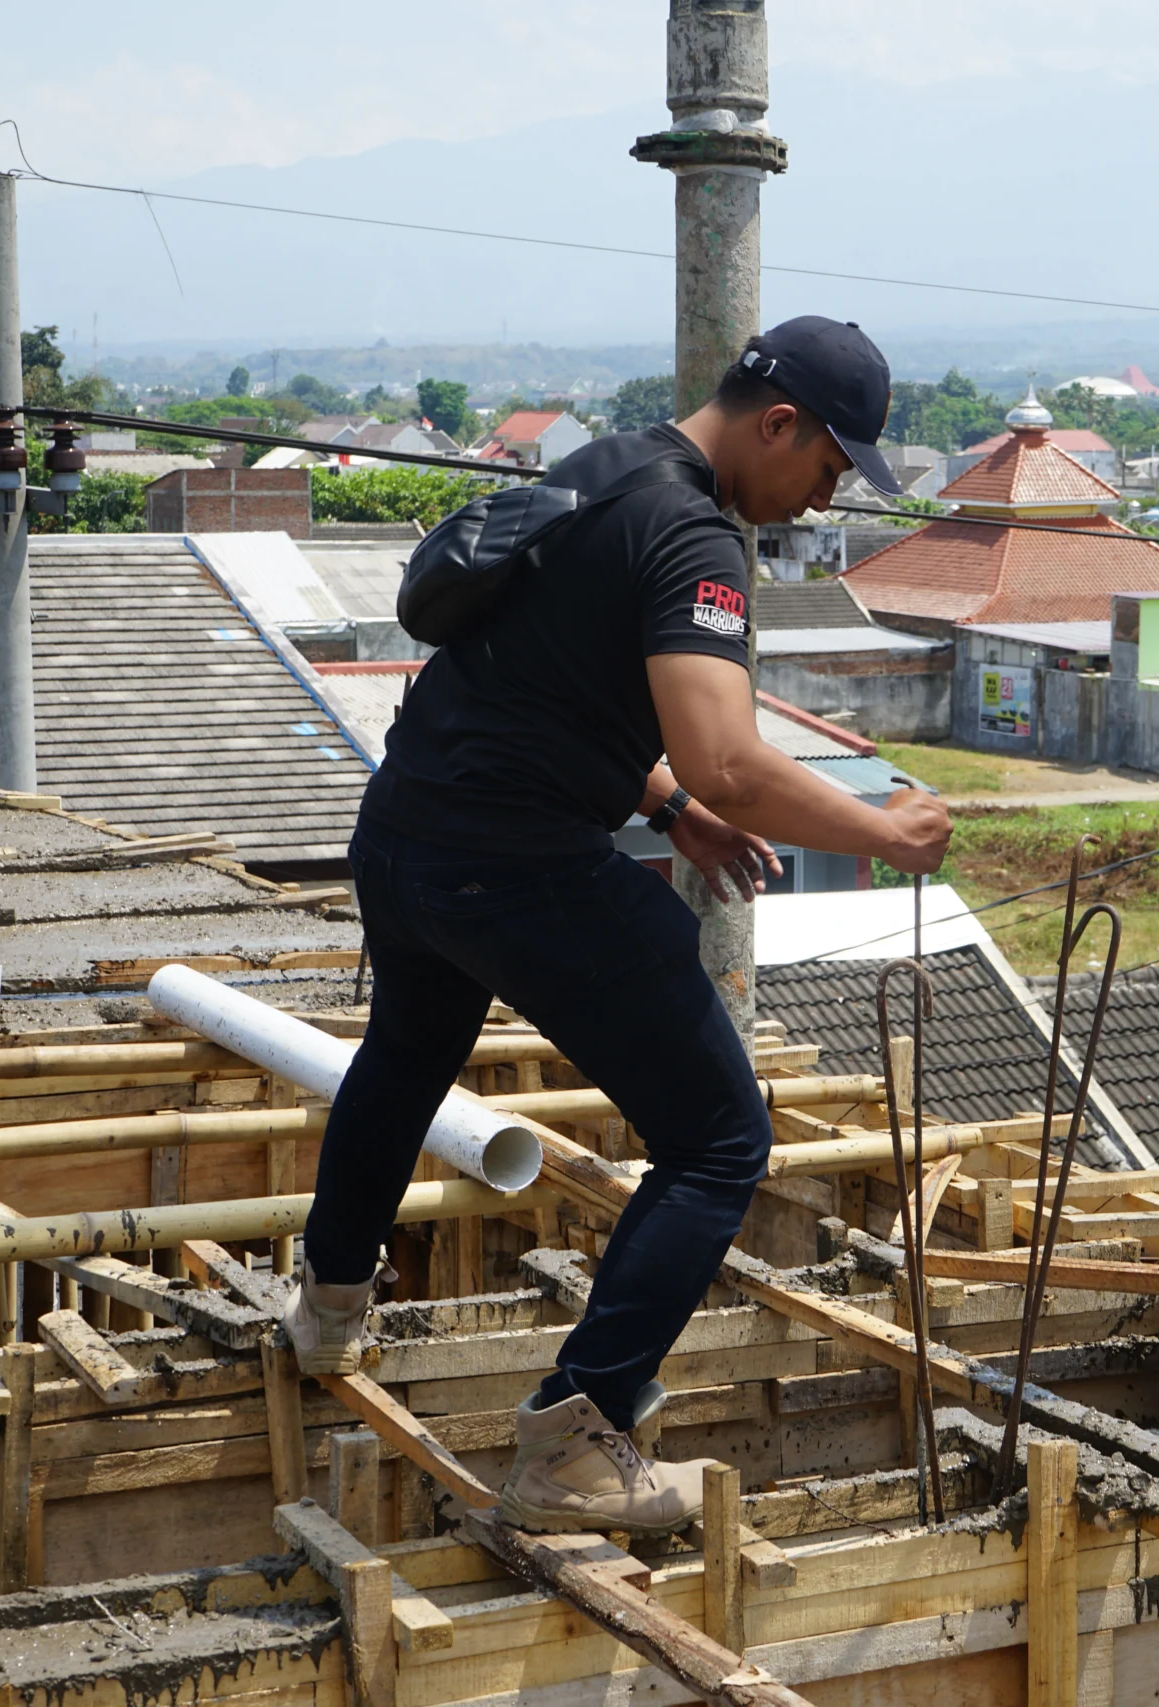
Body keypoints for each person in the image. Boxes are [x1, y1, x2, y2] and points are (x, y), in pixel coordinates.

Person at [281, 316, 953, 1535]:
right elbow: (735, 757)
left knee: (408, 1054)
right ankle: (575, 1446)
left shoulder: (606, 467)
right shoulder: (696, 533)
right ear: (779, 422)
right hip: (513, 865)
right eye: (829, 465)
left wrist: (669, 806)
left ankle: (326, 1309)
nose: (822, 495)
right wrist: (884, 830)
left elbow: (539, 677)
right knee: (719, 1141)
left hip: (404, 831)